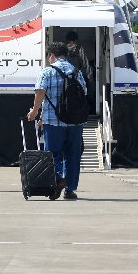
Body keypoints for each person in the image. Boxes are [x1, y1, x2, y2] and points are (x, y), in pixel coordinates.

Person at [27, 41, 88, 201]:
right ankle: (70, 190)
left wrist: (35, 111)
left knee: (53, 154)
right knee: (73, 155)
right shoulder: (76, 71)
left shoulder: (47, 72)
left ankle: (57, 180)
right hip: (75, 121)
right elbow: (84, 93)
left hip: (53, 120)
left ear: (52, 55)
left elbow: (41, 92)